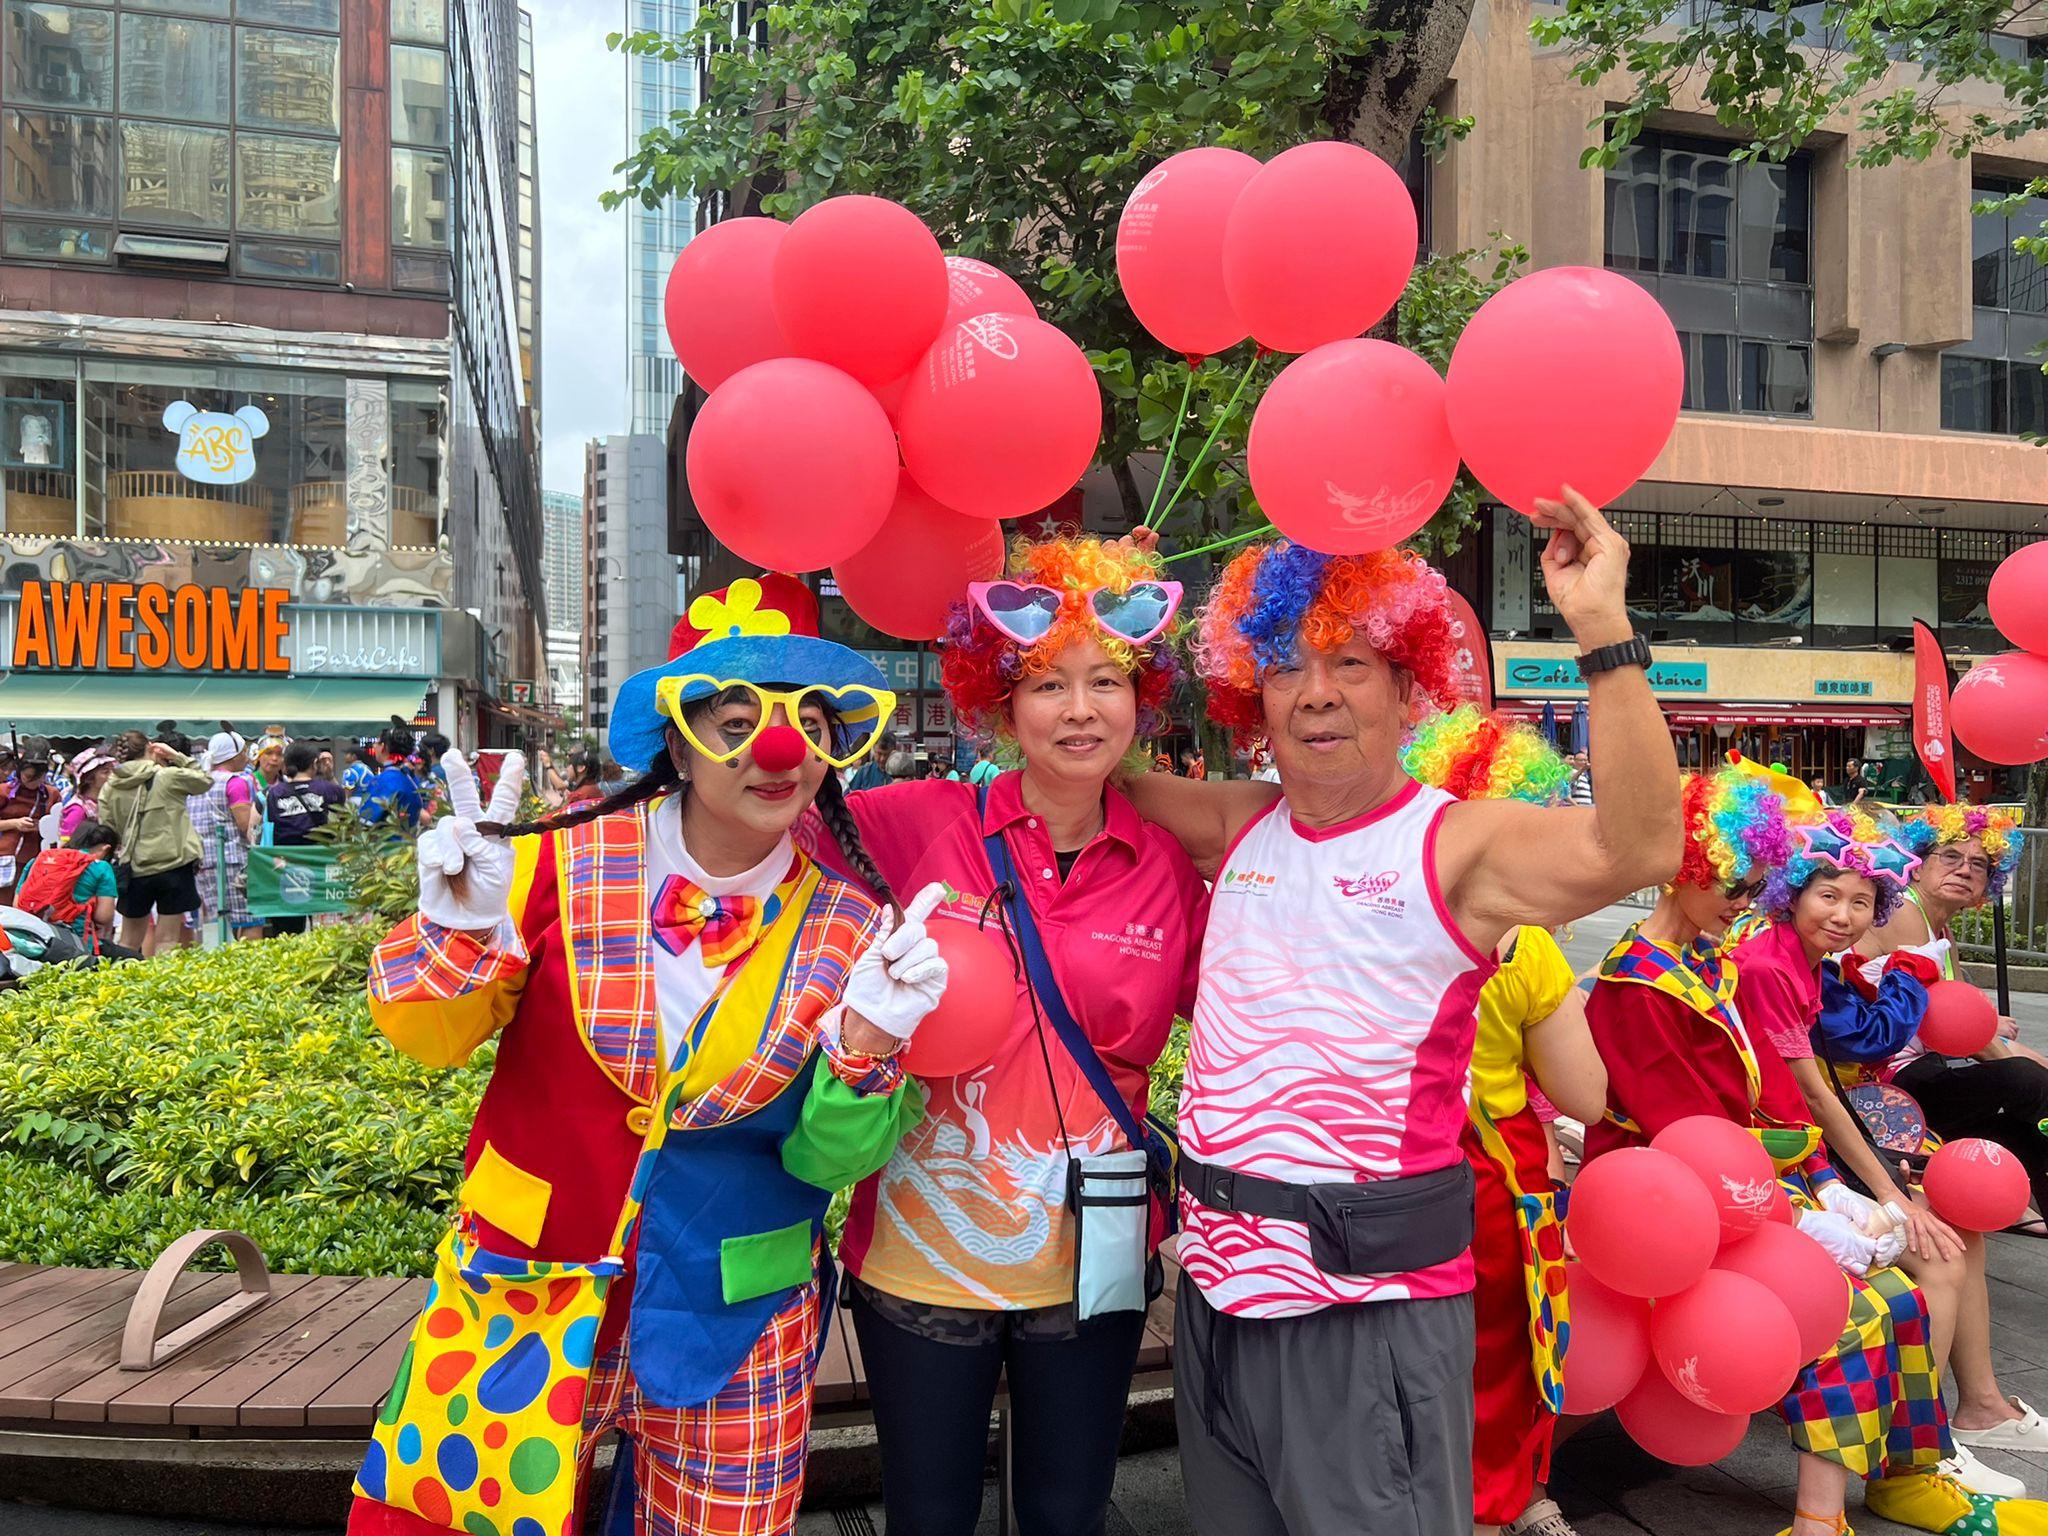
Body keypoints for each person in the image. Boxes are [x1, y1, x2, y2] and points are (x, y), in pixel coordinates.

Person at [1121, 489, 1683, 1536]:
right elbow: (1091, 769)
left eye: (1350, 662)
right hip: (1214, 1291)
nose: (1316, 693)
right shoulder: (1241, 825)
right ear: (1251, 694)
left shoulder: (1457, 843)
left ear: (1404, 684)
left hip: (1363, 1306)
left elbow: (1640, 848)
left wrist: (1603, 630)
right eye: (1285, 666)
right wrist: (1111, 624)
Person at [347, 574, 945, 1536]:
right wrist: (458, 933)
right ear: (678, 743)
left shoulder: (854, 926)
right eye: (737, 723)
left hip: (737, 1314)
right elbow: (428, 1039)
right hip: (523, 1284)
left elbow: (826, 1160)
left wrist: (867, 1048)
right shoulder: (554, 863)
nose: (780, 752)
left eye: (808, 725)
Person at [811, 537, 1208, 1536]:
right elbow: (763, 833)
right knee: (928, 1518)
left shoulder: (1164, 866)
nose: (1079, 710)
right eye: (1046, 684)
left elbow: (1240, 1015)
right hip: (919, 1255)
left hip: (1095, 1256)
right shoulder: (915, 823)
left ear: (1142, 699)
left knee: (1069, 1513)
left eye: (1105, 681)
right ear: (1000, 701)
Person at [1585, 764, 2046, 1536]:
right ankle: (1818, 1519)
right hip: (1672, 1206)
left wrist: (1823, 1185)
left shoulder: (1705, 959)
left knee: (1906, 1296)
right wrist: (1803, 1215)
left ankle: (1907, 1475)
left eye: (1752, 884)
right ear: (1684, 868)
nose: (1743, 899)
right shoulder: (1641, 983)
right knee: (1856, 1311)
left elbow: (1767, 1099)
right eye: (1732, 881)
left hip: (1735, 1183)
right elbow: (1683, 1133)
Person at [1746, 801, 2047, 1488]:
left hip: (1816, 1143)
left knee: (1956, 1232)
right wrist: (1885, 1195)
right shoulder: (1769, 963)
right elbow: (1822, 1085)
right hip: (1774, 1156)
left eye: (1860, 902)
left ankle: (1969, 1414)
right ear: (1789, 891)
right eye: (1829, 895)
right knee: (1939, 1252)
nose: (1844, 916)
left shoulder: (1807, 961)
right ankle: (1914, 1459)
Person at [1399, 706, 1606, 1536]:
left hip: (1374, 1164)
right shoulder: (1527, 947)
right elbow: (1586, 1095)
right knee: (1498, 1347)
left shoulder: (1375, 911)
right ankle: (1494, 1502)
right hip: (1490, 1176)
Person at [1859, 805, 2048, 1225]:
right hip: (1880, 1081)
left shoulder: (1942, 934)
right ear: (1917, 865)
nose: (1964, 869)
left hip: (1924, 1071)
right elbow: (1972, 1041)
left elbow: (1968, 1029)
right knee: (2025, 1082)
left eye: (1979, 864)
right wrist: (2030, 1070)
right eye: (1950, 856)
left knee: (2014, 1131)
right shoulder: (1904, 913)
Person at [103, 733, 210, 956]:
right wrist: (176, 756)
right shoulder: (167, 776)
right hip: (173, 865)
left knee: (128, 941)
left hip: (133, 867)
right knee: (168, 940)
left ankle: (124, 977)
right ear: (150, 748)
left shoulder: (110, 787)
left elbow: (108, 828)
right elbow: (204, 780)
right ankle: (162, 979)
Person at [264, 743, 346, 935]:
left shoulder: (274, 793)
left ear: (286, 764)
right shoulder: (329, 790)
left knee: (289, 932)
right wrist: (329, 776)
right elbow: (344, 817)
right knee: (327, 930)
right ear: (314, 764)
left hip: (288, 868)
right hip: (323, 864)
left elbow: (271, 827)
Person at [192, 726, 263, 943]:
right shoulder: (235, 782)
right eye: (243, 752)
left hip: (205, 863)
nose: (246, 757)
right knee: (249, 921)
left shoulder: (196, 783)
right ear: (233, 755)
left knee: (223, 923)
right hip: (235, 862)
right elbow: (246, 825)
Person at [0, 750, 55, 903]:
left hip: (36, 858)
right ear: (20, 771)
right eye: (28, 777)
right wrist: (14, 823)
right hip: (5, 855)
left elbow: (57, 827)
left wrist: (42, 827)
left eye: (38, 778)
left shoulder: (52, 794)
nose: (33, 782)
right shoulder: (4, 791)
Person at [357, 718, 423, 829]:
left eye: (376, 742)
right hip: (410, 837)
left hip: (387, 838)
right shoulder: (410, 777)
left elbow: (366, 820)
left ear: (384, 747)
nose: (374, 746)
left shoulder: (384, 781)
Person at [57, 748, 116, 841]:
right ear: (89, 778)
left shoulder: (105, 803)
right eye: (106, 772)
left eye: (113, 770)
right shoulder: (78, 810)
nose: (112, 776)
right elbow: (67, 845)